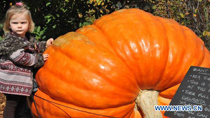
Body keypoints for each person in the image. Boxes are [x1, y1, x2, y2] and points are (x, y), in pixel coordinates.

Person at [0, 2, 54, 118]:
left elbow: (33, 46)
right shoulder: (11, 41)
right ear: (9, 25)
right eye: (15, 23)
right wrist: (38, 59)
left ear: (29, 24)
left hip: (19, 81)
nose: (19, 26)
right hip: (12, 81)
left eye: (23, 23)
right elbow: (20, 57)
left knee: (21, 106)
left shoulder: (26, 38)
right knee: (11, 105)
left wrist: (45, 45)